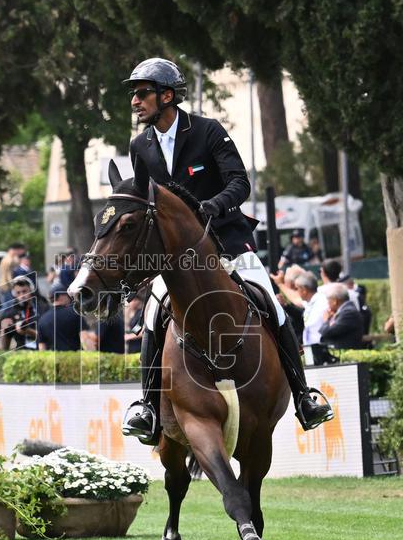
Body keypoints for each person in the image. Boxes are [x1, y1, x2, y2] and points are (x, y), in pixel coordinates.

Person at [118, 58, 332, 443]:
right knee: (152, 316)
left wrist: (211, 207)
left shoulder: (207, 131)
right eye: (133, 94)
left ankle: (303, 396)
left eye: (142, 93)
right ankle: (147, 407)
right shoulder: (139, 147)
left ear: (167, 96)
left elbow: (240, 183)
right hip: (178, 257)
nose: (135, 101)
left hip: (228, 239)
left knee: (270, 301)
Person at [38, 282, 88, 351]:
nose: (70, 298)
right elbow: (85, 340)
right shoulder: (74, 313)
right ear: (61, 296)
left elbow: (42, 348)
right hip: (76, 359)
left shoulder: (42, 320)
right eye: (67, 295)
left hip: (54, 360)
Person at [0, 277, 41, 350]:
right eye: (18, 293)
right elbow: (4, 348)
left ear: (31, 291)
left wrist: (29, 331)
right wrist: (3, 330)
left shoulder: (41, 308)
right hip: (21, 353)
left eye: (24, 291)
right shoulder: (11, 313)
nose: (22, 296)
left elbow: (49, 337)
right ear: (14, 294)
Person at [319, 283, 365, 350]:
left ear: (335, 301)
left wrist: (326, 320)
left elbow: (327, 332)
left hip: (345, 355)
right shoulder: (344, 311)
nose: (327, 304)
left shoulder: (348, 313)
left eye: (328, 301)